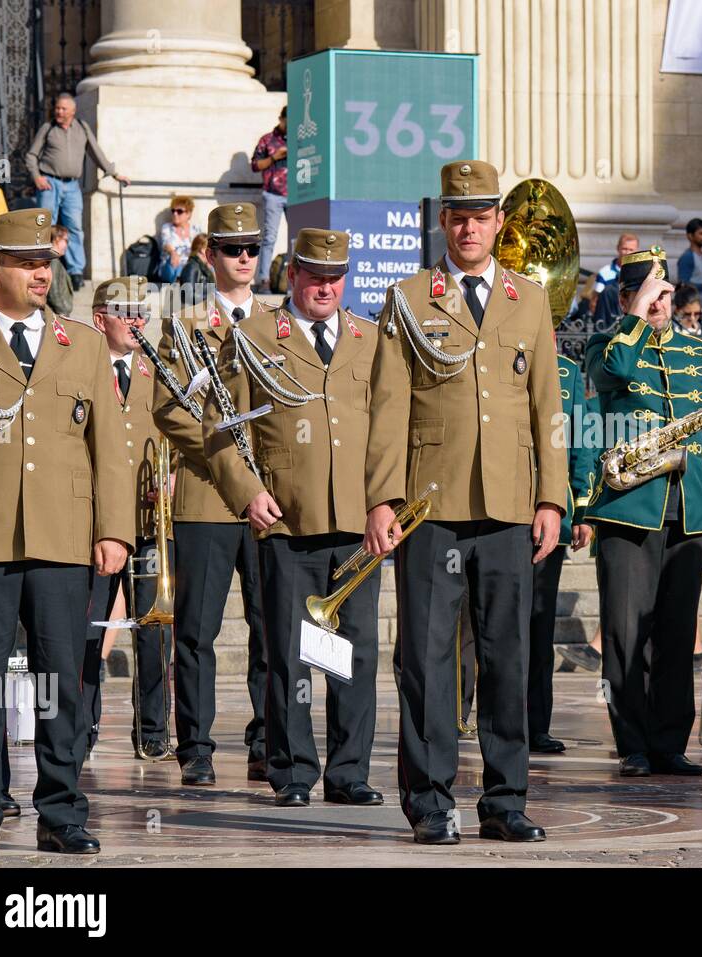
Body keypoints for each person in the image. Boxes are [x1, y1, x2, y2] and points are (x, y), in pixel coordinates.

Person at [363, 159, 568, 845]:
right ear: (443, 221)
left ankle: (506, 798)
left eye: (482, 214)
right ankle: (429, 799)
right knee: (426, 655)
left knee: (508, 651)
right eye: (458, 215)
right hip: (430, 504)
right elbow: (388, 406)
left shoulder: (529, 300)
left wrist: (552, 497)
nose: (470, 226)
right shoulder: (409, 297)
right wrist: (383, 497)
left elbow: (549, 410)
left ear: (499, 222)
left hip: (509, 502)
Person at [0, 209, 134, 858]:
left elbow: (110, 448)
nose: (41, 272)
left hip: (63, 539)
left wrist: (115, 528)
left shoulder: (81, 344)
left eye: (46, 261)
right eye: (26, 262)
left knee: (63, 681)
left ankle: (61, 811)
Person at [204, 228, 381, 810]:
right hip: (286, 520)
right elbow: (220, 426)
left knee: (353, 652)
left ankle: (350, 769)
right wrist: (247, 492)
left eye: (336, 277)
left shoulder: (369, 339)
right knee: (290, 650)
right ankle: (293, 769)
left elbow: (391, 428)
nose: (325, 287)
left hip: (356, 523)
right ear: (294, 274)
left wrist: (389, 501)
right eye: (314, 275)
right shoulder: (254, 335)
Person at [584, 245, 702, 780]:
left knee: (675, 631)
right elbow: (610, 374)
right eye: (650, 295)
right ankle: (633, 742)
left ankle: (671, 740)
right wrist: (635, 316)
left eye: (666, 294)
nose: (661, 304)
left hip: (689, 509)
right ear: (626, 298)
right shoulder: (609, 345)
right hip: (630, 508)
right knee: (625, 631)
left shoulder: (700, 355)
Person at [152, 202, 270, 787]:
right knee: (197, 631)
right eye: (232, 249)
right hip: (207, 493)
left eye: (252, 248)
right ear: (209, 254)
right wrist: (230, 469)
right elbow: (170, 410)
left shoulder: (280, 323)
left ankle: (267, 739)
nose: (244, 259)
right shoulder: (183, 324)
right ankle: (195, 745)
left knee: (271, 629)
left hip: (271, 500)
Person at [83, 276, 175, 759]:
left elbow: (178, 428)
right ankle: (84, 726)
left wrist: (174, 471)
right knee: (89, 629)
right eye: (126, 312)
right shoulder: (81, 365)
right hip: (96, 525)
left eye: (142, 311)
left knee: (155, 627)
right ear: (101, 319)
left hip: (145, 519)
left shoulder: (154, 369)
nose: (138, 320)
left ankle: (153, 727)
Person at [527, 349, 597, 753]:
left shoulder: (568, 369)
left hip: (548, 512)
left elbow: (581, 440)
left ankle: (536, 724)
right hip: (495, 508)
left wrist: (581, 508)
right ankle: (467, 715)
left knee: (539, 623)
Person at [25, 93, 131, 290]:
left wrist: (114, 174)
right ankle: (42, 265)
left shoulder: (82, 128)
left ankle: (75, 272)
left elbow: (95, 151)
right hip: (50, 182)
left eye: (63, 109)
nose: (59, 111)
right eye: (57, 108)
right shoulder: (48, 128)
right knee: (45, 227)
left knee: (74, 228)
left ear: (73, 111)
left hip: (72, 186)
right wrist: (37, 177)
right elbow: (31, 155)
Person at [251, 106, 288, 294]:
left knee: (297, 240)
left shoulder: (302, 139)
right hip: (273, 193)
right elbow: (255, 165)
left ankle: (293, 281)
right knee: (269, 238)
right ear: (281, 119)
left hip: (298, 195)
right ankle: (263, 279)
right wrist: (275, 157)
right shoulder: (267, 139)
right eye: (286, 120)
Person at [156, 196, 201, 284]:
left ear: (188, 214)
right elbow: (166, 244)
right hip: (171, 265)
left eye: (179, 211)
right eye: (173, 211)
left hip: (190, 266)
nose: (175, 214)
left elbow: (200, 247)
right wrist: (173, 253)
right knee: (175, 268)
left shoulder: (195, 229)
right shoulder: (167, 228)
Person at [178, 233, 214, 307]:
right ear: (202, 250)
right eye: (211, 249)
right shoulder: (191, 267)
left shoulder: (204, 267)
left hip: (201, 309)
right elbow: (187, 296)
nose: (213, 252)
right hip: (191, 313)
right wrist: (209, 299)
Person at [45, 226, 73, 318]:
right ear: (57, 239)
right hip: (57, 315)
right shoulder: (53, 261)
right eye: (66, 240)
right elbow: (54, 292)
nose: (67, 244)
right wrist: (63, 312)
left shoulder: (54, 260)